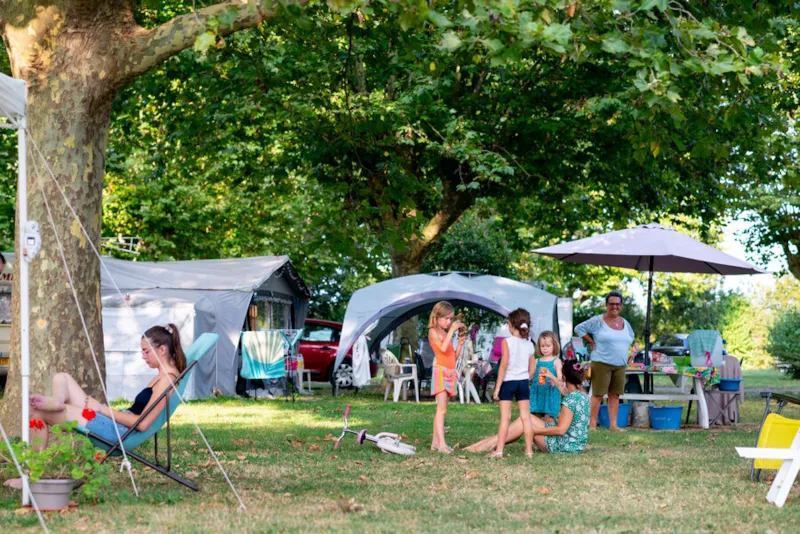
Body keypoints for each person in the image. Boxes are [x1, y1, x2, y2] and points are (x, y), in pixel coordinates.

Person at [27, 324, 185, 447]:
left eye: (146, 351)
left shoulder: (167, 380)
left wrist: (101, 409)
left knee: (37, 411)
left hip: (116, 430)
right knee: (62, 378)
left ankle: (30, 474)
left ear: (162, 349)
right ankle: (58, 400)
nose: (143, 356)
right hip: (112, 423)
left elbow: (142, 424)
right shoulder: (162, 375)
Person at [464, 361, 590, 454]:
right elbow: (562, 388)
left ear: (565, 377)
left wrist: (533, 431)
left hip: (566, 446)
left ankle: (484, 446)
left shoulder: (570, 399)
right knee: (526, 418)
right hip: (575, 444)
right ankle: (484, 444)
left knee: (525, 423)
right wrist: (551, 376)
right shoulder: (582, 395)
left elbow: (561, 430)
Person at [574, 291, 640, 431]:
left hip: (620, 365)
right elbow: (578, 328)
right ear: (606, 305)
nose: (614, 307)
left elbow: (631, 337)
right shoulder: (598, 320)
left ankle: (614, 425)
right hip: (601, 362)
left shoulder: (625, 323)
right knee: (598, 395)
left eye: (617, 304)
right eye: (611, 304)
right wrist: (591, 341)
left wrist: (631, 351)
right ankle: (592, 425)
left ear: (621, 306)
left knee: (615, 395)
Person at [490, 308, 535, 458]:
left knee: (505, 418)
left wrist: (497, 388)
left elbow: (503, 365)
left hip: (508, 382)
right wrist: (525, 378)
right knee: (525, 417)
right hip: (523, 383)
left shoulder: (506, 342)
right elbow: (532, 368)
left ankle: (499, 451)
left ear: (511, 325)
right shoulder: (530, 344)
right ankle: (529, 451)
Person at [428, 301, 465, 453]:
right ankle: (442, 445)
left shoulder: (445, 333)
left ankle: (435, 443)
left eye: (451, 319)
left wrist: (459, 346)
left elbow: (452, 357)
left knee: (442, 410)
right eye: (446, 318)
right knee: (441, 410)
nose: (449, 322)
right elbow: (442, 348)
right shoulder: (433, 332)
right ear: (436, 317)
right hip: (441, 372)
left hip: (450, 372)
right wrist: (452, 332)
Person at [529, 330, 563, 424]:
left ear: (554, 346)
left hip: (550, 392)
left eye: (548, 346)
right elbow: (531, 375)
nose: (544, 349)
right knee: (535, 416)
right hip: (538, 392)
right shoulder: (537, 361)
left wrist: (554, 381)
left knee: (549, 417)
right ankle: (536, 436)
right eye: (542, 346)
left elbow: (560, 377)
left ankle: (550, 435)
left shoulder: (556, 361)